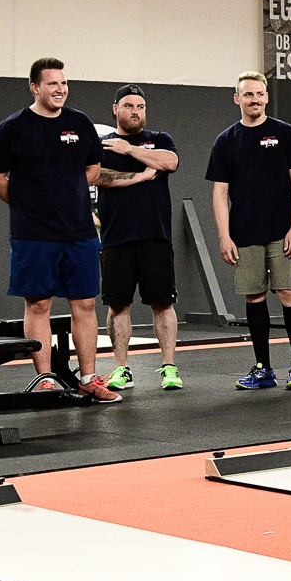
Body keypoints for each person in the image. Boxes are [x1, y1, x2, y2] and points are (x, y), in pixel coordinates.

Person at [0, 57, 119, 403]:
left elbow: (92, 169)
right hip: (33, 234)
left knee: (86, 303)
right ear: (35, 87)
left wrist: (67, 197)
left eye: (63, 83)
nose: (59, 89)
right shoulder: (13, 128)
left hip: (79, 232)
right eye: (51, 84)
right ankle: (44, 378)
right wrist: (29, 205)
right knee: (39, 304)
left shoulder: (79, 123)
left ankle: (88, 377)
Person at [207, 71, 291, 390]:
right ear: (238, 99)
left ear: (266, 97)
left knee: (289, 294)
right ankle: (263, 369)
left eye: (260, 94)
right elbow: (220, 193)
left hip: (282, 230)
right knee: (255, 296)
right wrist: (224, 235)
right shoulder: (226, 140)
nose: (255, 99)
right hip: (244, 232)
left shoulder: (284, 133)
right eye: (248, 94)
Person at [95, 84, 183, 392]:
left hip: (155, 235)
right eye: (129, 106)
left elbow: (170, 162)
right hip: (116, 237)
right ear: (115, 109)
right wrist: (142, 174)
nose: (136, 111)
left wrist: (129, 149)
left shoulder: (159, 140)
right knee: (117, 306)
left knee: (163, 303)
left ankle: (169, 368)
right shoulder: (102, 144)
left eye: (141, 107)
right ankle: (122, 368)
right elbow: (98, 178)